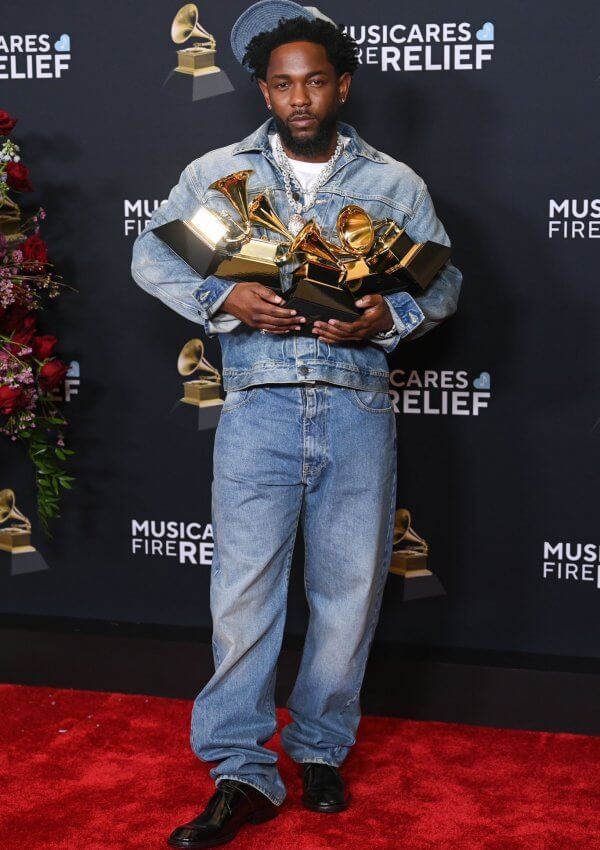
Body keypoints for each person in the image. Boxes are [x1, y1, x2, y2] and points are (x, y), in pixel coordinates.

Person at [131, 2, 463, 846]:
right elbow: (153, 253)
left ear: (342, 84)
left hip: (356, 404)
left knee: (347, 595)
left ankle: (319, 750)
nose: (301, 97)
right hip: (258, 405)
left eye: (316, 80)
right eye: (283, 84)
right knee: (243, 601)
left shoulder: (394, 183)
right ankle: (240, 772)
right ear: (265, 92)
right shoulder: (219, 173)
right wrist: (222, 298)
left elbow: (443, 283)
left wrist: (385, 318)